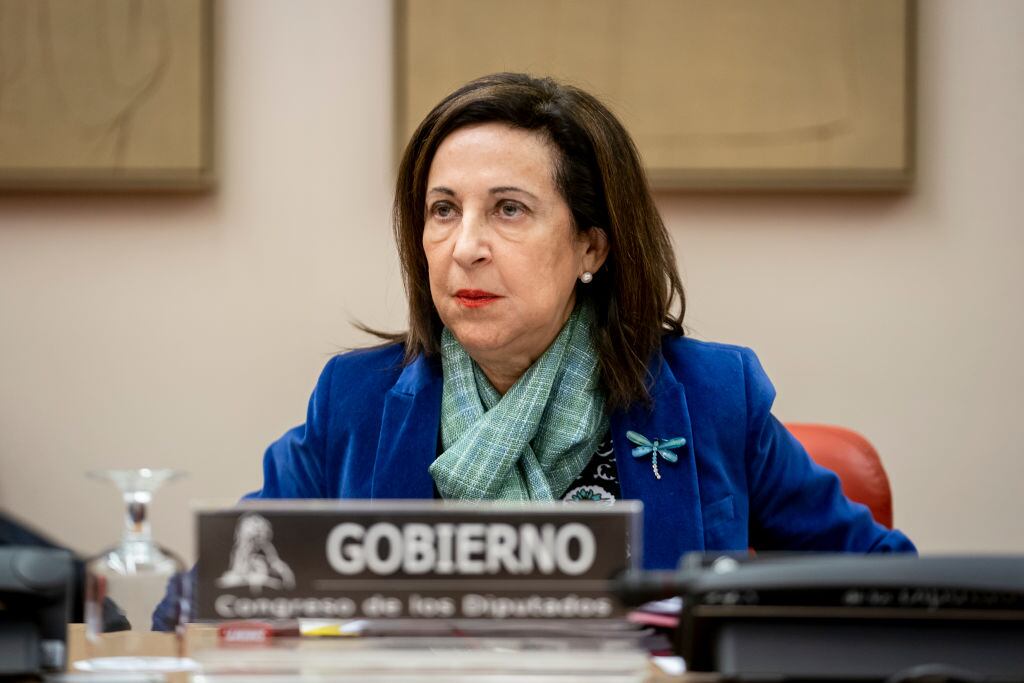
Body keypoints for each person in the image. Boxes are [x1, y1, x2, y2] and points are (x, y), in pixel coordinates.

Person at [153, 72, 912, 630]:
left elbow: (887, 582)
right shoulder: (353, 401)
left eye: (508, 210)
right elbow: (201, 599)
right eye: (442, 211)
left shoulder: (714, 394)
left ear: (591, 245)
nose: (465, 247)